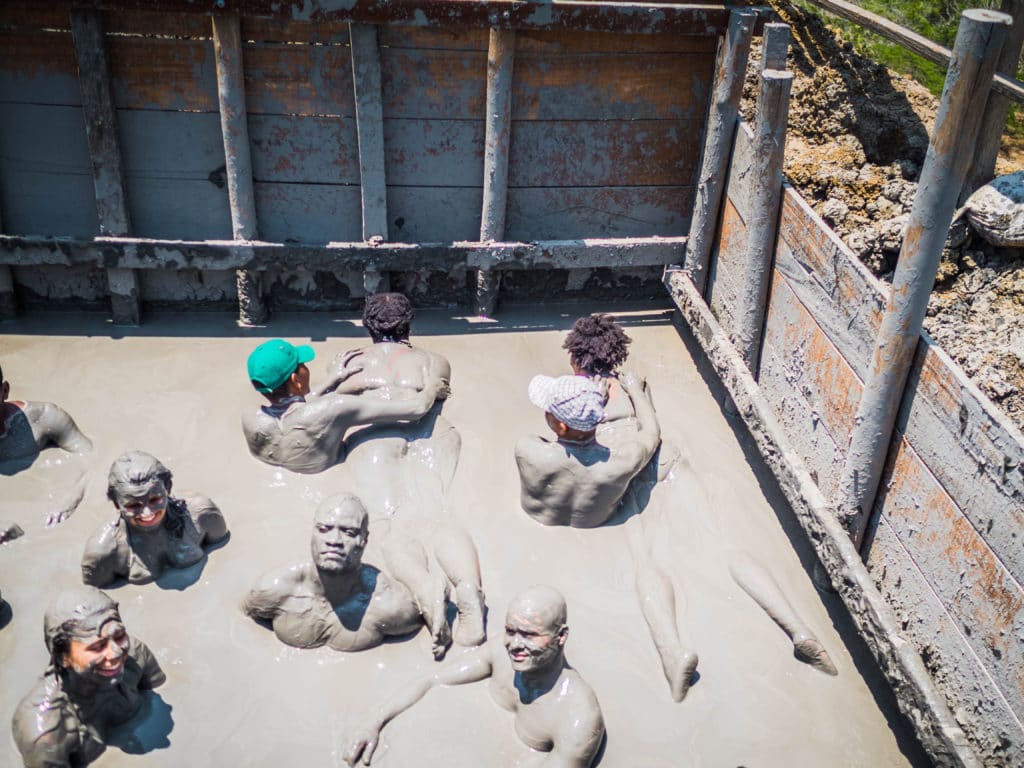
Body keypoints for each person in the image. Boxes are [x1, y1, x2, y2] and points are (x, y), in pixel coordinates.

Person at [344, 585, 605, 768]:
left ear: (561, 637)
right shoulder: (500, 654)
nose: (515, 644)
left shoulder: (579, 719)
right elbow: (432, 679)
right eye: (510, 631)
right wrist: (373, 721)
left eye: (529, 635)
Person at [242, 493, 443, 654]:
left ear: (364, 539)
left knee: (399, 550)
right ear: (312, 533)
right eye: (324, 529)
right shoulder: (274, 588)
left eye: (348, 532)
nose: (334, 540)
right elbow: (241, 622)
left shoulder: (389, 606)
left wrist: (432, 600)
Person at [242, 337, 447, 474]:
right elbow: (416, 409)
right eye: (302, 365)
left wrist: (332, 379)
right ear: (296, 379)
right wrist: (434, 386)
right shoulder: (336, 407)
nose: (306, 367)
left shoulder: (250, 417)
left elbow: (294, 412)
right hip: (325, 472)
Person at [11, 586, 165, 768]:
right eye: (97, 646)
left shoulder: (135, 656)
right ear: (63, 656)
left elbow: (163, 693)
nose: (116, 652)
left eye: (119, 635)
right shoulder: (45, 733)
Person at [514, 372, 660, 529]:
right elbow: (652, 432)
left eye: (548, 410)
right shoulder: (625, 462)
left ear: (561, 426)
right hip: (594, 522)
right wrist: (634, 388)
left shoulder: (527, 449)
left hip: (536, 517)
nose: (545, 412)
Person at [81, 451, 228, 586]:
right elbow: (94, 598)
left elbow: (225, 556)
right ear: (116, 504)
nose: (147, 513)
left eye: (155, 500)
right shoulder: (102, 553)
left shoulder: (203, 514)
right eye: (133, 505)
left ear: (168, 489)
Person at [1, 362, 93, 525]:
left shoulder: (45, 417)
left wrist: (71, 498)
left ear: (5, 390)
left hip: (36, 506)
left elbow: (95, 459)